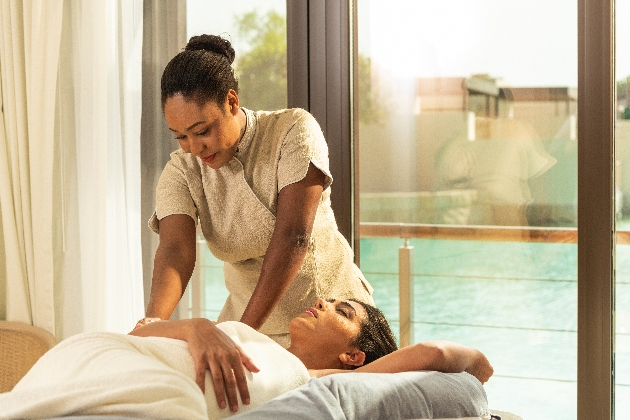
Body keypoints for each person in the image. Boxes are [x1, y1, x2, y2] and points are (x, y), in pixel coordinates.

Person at [141, 33, 374, 348]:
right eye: (180, 136)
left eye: (202, 131)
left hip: (329, 325)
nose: (194, 148)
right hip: (247, 324)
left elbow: (294, 236)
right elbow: (175, 251)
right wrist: (151, 326)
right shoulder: (182, 170)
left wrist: (239, 336)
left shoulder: (292, 131)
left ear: (231, 101)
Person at [0, 298, 493, 419]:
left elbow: (433, 354)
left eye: (341, 311)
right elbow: (141, 330)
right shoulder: (248, 339)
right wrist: (198, 327)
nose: (321, 302)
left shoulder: (324, 380)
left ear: (353, 355)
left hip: (148, 385)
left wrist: (478, 366)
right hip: (99, 355)